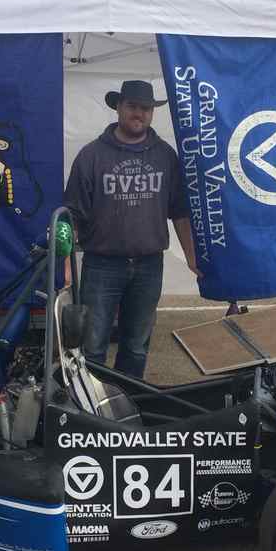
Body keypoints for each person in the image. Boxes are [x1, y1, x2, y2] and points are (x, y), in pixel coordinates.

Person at [63, 80, 199, 379]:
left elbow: (179, 211)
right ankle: (93, 413)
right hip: (102, 266)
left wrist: (192, 257)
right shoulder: (92, 156)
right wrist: (66, 265)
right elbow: (71, 215)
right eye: (133, 106)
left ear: (152, 113)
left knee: (136, 346)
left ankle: (129, 405)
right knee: (93, 346)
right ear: (119, 107)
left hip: (150, 265)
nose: (139, 113)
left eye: (146, 108)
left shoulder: (165, 155)